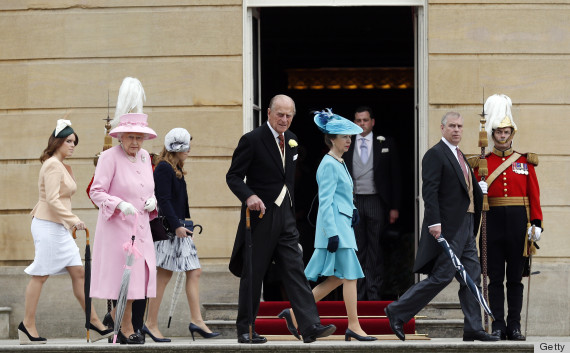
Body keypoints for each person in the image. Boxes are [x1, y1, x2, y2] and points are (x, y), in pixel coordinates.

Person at [226, 94, 336, 344]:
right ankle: (246, 329)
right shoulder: (252, 140)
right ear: (268, 113)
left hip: (286, 217)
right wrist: (249, 196)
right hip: (261, 215)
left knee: (296, 270)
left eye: (289, 115)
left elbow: (287, 181)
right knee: (254, 274)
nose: (284, 119)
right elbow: (233, 176)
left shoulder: (294, 140)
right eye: (280, 114)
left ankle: (309, 326)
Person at [384, 112, 499, 342]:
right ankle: (397, 310)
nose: (457, 130)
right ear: (442, 128)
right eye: (452, 126)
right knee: (442, 276)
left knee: (471, 278)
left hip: (467, 225)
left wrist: (478, 188)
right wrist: (434, 222)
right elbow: (430, 191)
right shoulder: (436, 154)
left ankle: (473, 327)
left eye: (460, 126)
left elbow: (461, 190)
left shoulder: (460, 155)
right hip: (449, 226)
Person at [279, 109, 377, 342]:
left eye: (349, 137)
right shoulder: (328, 163)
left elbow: (343, 195)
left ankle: (293, 314)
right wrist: (332, 233)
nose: (348, 141)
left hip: (344, 226)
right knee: (350, 276)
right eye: (344, 137)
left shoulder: (338, 161)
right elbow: (325, 201)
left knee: (338, 279)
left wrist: (353, 211)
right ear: (331, 138)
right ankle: (354, 325)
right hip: (337, 229)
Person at [19, 119, 112, 345]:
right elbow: (51, 199)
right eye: (69, 141)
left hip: (59, 226)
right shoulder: (52, 164)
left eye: (74, 142)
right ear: (58, 142)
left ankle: (95, 323)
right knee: (40, 274)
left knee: (79, 272)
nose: (72, 145)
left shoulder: (62, 165)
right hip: (47, 225)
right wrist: (74, 220)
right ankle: (27, 326)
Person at [472, 94, 542, 341]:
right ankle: (498, 325)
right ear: (492, 134)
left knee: (515, 280)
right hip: (491, 226)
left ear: (512, 134)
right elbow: (470, 200)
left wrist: (536, 223)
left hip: (517, 227)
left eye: (506, 132)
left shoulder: (525, 162)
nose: (502, 136)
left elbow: (534, 195)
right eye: (498, 132)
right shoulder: (480, 163)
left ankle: (514, 326)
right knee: (494, 280)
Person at [143, 128, 220, 342]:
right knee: (166, 275)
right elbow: (164, 200)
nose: (189, 150)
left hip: (179, 229)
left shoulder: (174, 167)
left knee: (191, 271)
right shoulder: (164, 169)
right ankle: (151, 323)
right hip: (169, 231)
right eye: (186, 145)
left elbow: (180, 203)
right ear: (176, 148)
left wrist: (187, 225)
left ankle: (196, 320)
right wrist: (177, 226)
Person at [89, 112, 158, 345]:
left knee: (138, 279)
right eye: (131, 137)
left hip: (140, 227)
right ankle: (126, 327)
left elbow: (147, 187)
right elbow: (96, 192)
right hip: (117, 228)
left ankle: (116, 319)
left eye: (140, 137)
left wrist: (153, 200)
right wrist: (119, 204)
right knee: (124, 279)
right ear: (120, 137)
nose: (136, 143)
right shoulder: (109, 157)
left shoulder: (145, 157)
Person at [344, 106, 402, 300]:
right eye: (358, 120)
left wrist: (394, 207)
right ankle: (358, 295)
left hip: (377, 201)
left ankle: (374, 293)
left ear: (372, 122)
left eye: (365, 120)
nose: (362, 124)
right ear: (354, 123)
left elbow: (395, 177)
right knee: (357, 248)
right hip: (354, 201)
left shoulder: (386, 143)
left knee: (375, 248)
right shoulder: (346, 143)